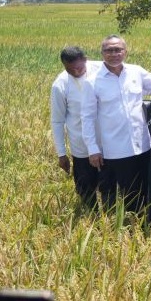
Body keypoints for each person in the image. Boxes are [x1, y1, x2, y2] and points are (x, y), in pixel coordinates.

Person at [81, 34, 151, 213]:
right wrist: (92, 149)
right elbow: (87, 117)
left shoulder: (136, 72)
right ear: (102, 53)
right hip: (115, 150)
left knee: (145, 191)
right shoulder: (92, 82)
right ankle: (123, 231)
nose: (113, 53)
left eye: (118, 49)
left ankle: (143, 227)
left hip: (143, 145)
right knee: (122, 195)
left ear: (125, 52)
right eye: (109, 50)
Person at [50, 46, 102, 208]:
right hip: (81, 145)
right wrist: (61, 154)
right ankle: (90, 219)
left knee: (111, 188)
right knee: (86, 190)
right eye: (70, 69)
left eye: (79, 67)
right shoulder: (60, 85)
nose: (76, 71)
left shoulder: (100, 69)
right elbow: (57, 120)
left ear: (86, 60)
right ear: (64, 66)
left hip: (108, 141)